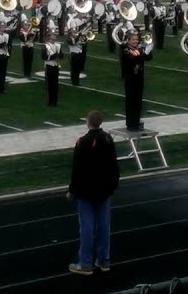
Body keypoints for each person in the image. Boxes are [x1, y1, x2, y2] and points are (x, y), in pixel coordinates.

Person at [67, 110, 120, 276]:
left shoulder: (82, 141)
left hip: (86, 192)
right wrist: (113, 187)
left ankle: (85, 264)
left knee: (87, 228)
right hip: (104, 190)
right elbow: (114, 166)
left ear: (88, 122)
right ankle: (104, 260)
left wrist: (72, 191)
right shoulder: (108, 139)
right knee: (104, 226)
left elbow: (77, 170)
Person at [121, 31, 154, 131]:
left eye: (136, 39)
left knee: (138, 101)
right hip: (130, 79)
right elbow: (132, 59)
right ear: (128, 40)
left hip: (139, 78)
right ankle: (131, 124)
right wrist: (145, 52)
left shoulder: (138, 49)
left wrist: (149, 50)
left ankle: (136, 122)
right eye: (133, 40)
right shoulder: (125, 49)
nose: (136, 41)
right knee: (131, 102)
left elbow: (148, 58)